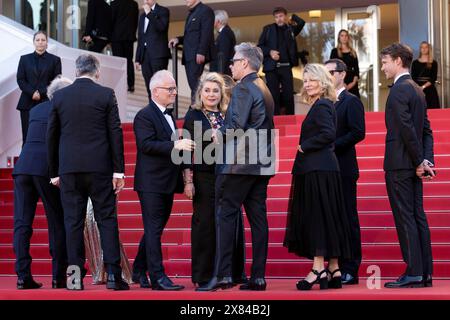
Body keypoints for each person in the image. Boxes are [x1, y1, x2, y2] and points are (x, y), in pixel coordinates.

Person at [197, 42, 275, 292]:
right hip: (261, 163)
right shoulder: (265, 88)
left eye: (233, 61)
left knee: (225, 216)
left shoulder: (243, 88)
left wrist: (218, 134)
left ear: (244, 63)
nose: (230, 65)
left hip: (237, 164)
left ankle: (222, 275)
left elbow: (236, 125)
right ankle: (258, 277)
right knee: (258, 219)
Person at [47, 54, 129, 291]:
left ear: (76, 72)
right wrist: (119, 172)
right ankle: (114, 276)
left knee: (72, 223)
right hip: (100, 169)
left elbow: (51, 136)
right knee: (107, 220)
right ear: (97, 72)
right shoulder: (105, 94)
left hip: (69, 170)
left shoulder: (60, 96)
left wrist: (54, 172)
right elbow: (115, 133)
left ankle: (74, 279)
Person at [284, 63, 352, 291]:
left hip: (317, 169)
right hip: (322, 169)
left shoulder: (322, 104)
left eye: (312, 79)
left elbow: (328, 134)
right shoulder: (323, 104)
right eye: (305, 81)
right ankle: (333, 268)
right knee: (326, 217)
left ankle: (318, 269)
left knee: (317, 218)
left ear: (323, 81)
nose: (308, 84)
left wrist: (304, 145)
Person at [182, 72, 246, 287]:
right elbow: (184, 152)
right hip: (204, 178)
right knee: (206, 225)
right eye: (207, 90)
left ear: (222, 94)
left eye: (215, 91)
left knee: (229, 224)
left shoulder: (228, 116)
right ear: (201, 93)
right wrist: (188, 181)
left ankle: (229, 274)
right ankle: (204, 275)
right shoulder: (193, 116)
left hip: (228, 176)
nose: (211, 94)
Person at [133, 70, 195, 290]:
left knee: (154, 228)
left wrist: (187, 177)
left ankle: (138, 270)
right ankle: (158, 277)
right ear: (155, 91)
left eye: (174, 88)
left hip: (166, 182)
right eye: (170, 89)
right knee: (154, 229)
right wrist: (175, 145)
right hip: (151, 183)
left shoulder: (167, 115)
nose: (175, 92)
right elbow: (145, 145)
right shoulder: (144, 115)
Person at [380, 43, 435, 288]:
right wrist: (425, 159)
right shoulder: (417, 90)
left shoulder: (399, 90)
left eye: (385, 62)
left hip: (400, 164)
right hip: (411, 163)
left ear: (398, 61)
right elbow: (426, 131)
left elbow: (407, 130)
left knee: (406, 218)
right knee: (417, 216)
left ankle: (414, 272)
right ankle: (425, 273)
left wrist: (418, 162)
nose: (382, 67)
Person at [12, 76, 71, 290]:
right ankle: (58, 276)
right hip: (45, 169)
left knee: (22, 224)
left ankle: (22, 276)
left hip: (23, 167)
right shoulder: (64, 111)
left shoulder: (35, 110)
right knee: (56, 221)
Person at [325, 58, 366, 285]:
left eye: (330, 72)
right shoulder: (325, 101)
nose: (328, 75)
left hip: (345, 168)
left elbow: (358, 132)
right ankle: (335, 266)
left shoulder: (351, 101)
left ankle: (351, 267)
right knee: (332, 219)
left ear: (342, 74)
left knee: (348, 218)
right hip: (327, 169)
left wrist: (332, 145)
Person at [258, 7, 305, 115]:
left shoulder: (291, 29)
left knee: (288, 96)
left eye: (281, 16)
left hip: (286, 66)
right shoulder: (268, 29)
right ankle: (274, 123)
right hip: (271, 68)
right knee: (273, 96)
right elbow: (260, 46)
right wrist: (270, 52)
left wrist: (292, 18)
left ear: (285, 16)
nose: (279, 19)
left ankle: (290, 121)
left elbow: (302, 22)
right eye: (276, 17)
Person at [16, 31, 61, 144]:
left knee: (47, 136)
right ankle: (26, 161)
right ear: (34, 42)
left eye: (43, 40)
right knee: (27, 136)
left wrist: (40, 93)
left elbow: (56, 81)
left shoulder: (55, 60)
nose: (40, 42)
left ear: (47, 43)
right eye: (38, 40)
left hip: (46, 101)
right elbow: (20, 79)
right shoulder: (24, 59)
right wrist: (32, 93)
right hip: (27, 102)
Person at [168, 0, 215, 103]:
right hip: (189, 55)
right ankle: (196, 112)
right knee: (194, 86)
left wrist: (201, 52)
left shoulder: (206, 11)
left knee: (195, 87)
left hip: (196, 55)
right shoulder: (191, 13)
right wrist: (178, 39)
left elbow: (206, 33)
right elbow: (191, 36)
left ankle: (197, 114)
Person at [135, 0, 171, 100]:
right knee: (149, 85)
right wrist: (138, 58)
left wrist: (149, 13)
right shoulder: (142, 16)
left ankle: (161, 109)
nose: (145, 1)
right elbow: (141, 37)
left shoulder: (163, 11)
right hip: (145, 55)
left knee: (160, 84)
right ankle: (153, 110)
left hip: (158, 54)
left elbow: (161, 27)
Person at [110, 0, 139, 92]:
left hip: (116, 38)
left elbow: (111, 21)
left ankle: (119, 84)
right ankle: (131, 85)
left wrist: (109, 37)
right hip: (129, 38)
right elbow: (135, 22)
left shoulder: (114, 4)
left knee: (118, 62)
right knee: (129, 61)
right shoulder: (134, 4)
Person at [330, 29, 360, 98]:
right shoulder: (334, 51)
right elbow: (331, 69)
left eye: (346, 36)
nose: (344, 37)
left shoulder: (353, 52)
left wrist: (352, 83)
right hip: (339, 81)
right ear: (339, 38)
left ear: (348, 38)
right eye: (342, 36)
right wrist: (342, 83)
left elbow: (356, 70)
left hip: (352, 83)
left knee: (354, 103)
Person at [411, 41, 440, 109]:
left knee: (432, 109)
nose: (424, 49)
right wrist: (418, 87)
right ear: (420, 49)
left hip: (430, 89)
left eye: (426, 47)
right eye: (422, 47)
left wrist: (423, 87)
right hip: (417, 88)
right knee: (418, 109)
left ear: (429, 49)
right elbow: (413, 77)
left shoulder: (433, 63)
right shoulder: (415, 63)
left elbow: (433, 78)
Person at [209, 10, 236, 76]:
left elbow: (223, 55)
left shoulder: (225, 34)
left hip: (223, 73)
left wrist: (220, 74)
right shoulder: (225, 32)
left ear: (218, 21)